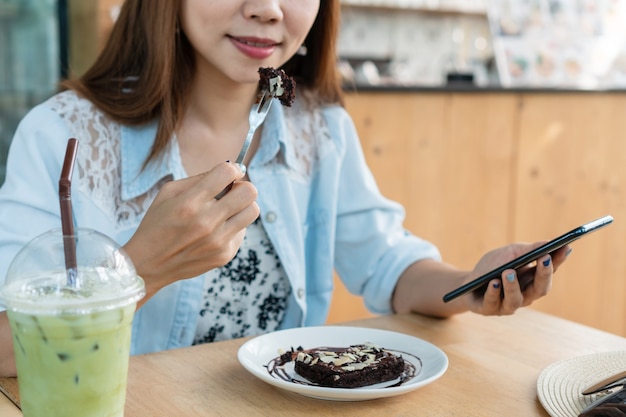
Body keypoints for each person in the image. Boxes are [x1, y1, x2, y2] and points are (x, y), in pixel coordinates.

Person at [0, 0, 571, 377]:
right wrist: (137, 271)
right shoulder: (66, 138)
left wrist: (469, 286)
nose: (268, 9)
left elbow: (387, 264)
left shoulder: (317, 129)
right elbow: (7, 347)